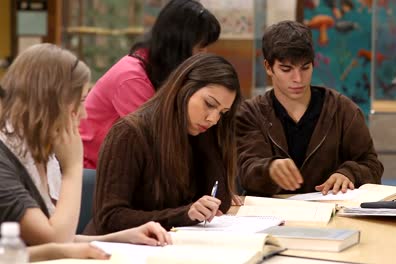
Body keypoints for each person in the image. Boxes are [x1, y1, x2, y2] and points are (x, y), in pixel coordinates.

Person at [0, 43, 171, 255]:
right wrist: (72, 167)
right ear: (49, 101)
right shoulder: (5, 157)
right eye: (80, 101)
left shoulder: (38, 149)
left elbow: (57, 237)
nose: (83, 114)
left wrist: (122, 237)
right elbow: (54, 239)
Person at [88, 53, 241, 234]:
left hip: (171, 246)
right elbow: (110, 218)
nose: (213, 119)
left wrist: (210, 140)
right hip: (120, 251)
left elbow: (219, 201)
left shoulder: (199, 133)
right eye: (209, 104)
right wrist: (183, 214)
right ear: (183, 87)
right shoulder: (130, 134)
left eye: (222, 113)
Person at [236, 21, 384, 197]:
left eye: (305, 67)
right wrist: (268, 169)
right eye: (286, 69)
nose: (298, 79)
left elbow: (372, 166)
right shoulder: (250, 113)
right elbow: (244, 170)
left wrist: (348, 173)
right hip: (269, 216)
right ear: (268, 67)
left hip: (331, 216)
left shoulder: (343, 110)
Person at [80, 0, 221, 169]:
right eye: (200, 49)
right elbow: (156, 143)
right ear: (178, 45)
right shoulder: (132, 77)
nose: (203, 56)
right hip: (92, 171)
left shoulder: (160, 69)